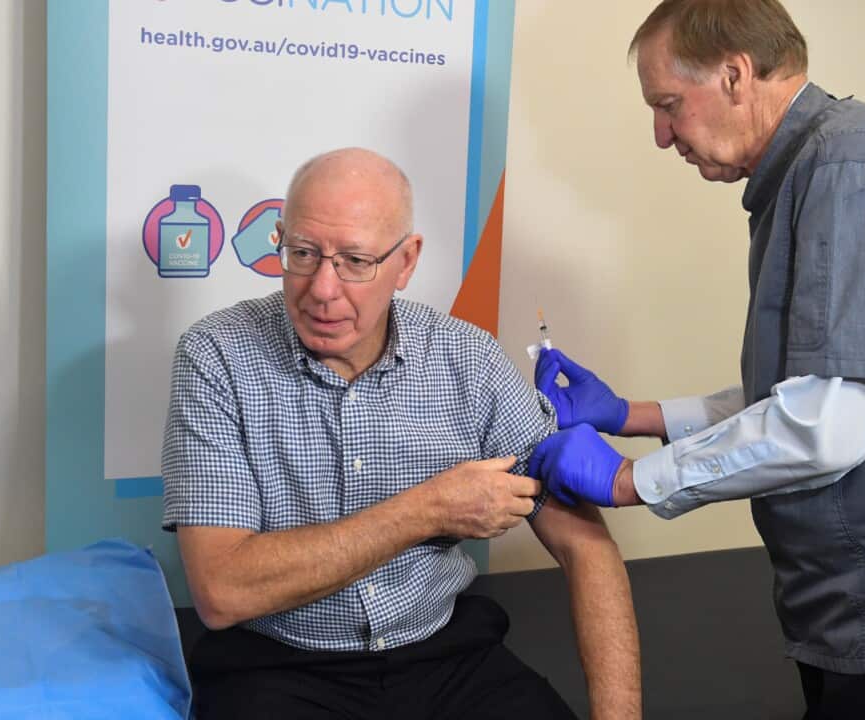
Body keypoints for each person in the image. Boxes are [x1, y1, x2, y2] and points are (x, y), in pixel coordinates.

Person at [528, 1, 865, 719]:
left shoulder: (858, 170)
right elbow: (813, 385)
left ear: (734, 75)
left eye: (666, 105)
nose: (661, 135)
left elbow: (830, 424)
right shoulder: (814, 171)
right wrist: (633, 415)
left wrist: (631, 481)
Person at [161, 147, 641, 719]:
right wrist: (428, 510)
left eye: (356, 261)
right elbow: (221, 590)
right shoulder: (215, 356)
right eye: (303, 253)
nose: (321, 288)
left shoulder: (470, 359)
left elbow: (584, 544)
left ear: (406, 261)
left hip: (444, 652)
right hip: (278, 665)